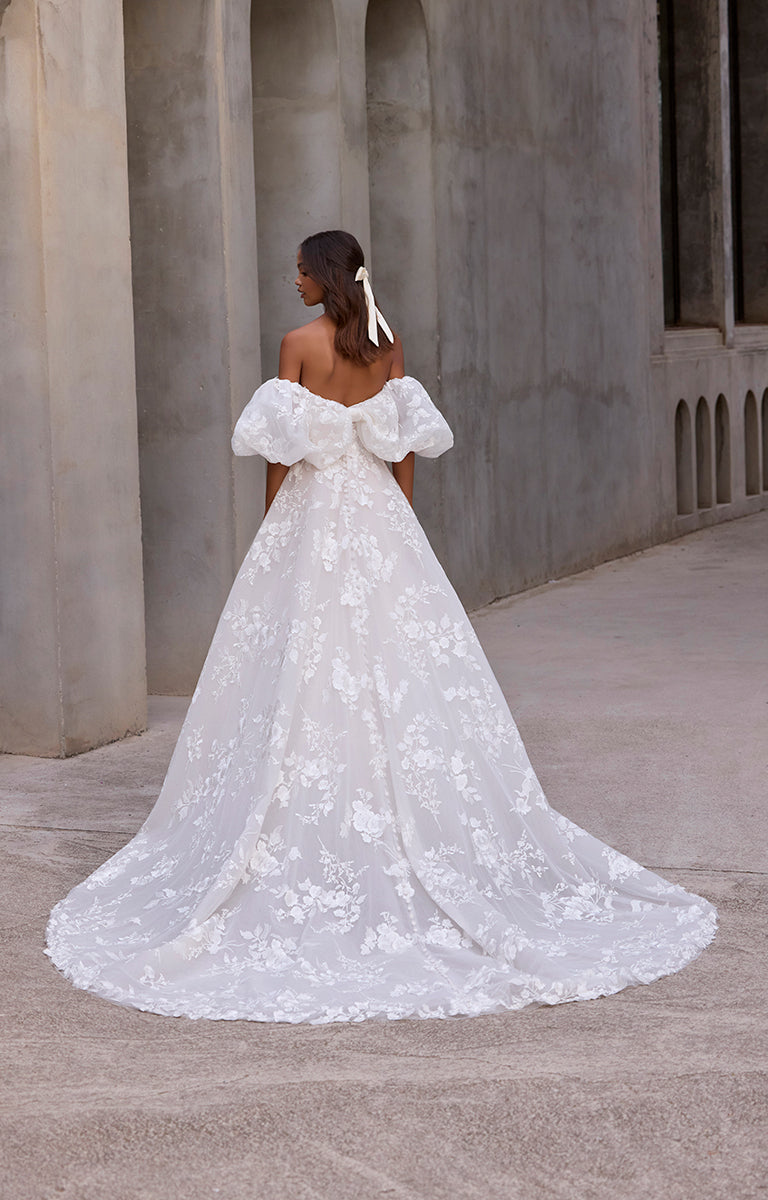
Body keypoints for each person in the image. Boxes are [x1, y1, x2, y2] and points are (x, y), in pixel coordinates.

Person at [46, 230, 716, 1024]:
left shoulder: (298, 343)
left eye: (299, 268)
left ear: (323, 275)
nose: (291, 279)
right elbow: (400, 446)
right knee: (398, 660)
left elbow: (282, 454)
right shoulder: (385, 342)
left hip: (315, 511)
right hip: (376, 511)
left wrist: (276, 528)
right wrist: (398, 517)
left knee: (304, 657)